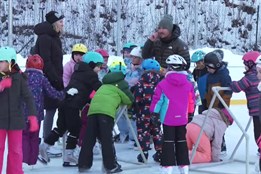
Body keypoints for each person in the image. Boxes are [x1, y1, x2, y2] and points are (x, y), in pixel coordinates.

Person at [38, 52, 103, 166]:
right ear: (92, 64)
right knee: (76, 128)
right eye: (99, 65)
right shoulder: (91, 75)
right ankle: (69, 155)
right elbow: (99, 88)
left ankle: (44, 147)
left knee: (61, 127)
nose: (100, 68)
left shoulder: (77, 72)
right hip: (73, 105)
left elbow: (82, 88)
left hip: (64, 102)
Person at [78, 66, 134, 173]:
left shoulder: (103, 86)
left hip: (92, 111)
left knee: (89, 138)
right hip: (106, 113)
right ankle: (110, 165)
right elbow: (129, 100)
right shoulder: (121, 86)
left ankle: (83, 164)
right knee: (106, 139)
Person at [150, 54, 195, 174]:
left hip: (167, 118)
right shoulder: (188, 84)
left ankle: (167, 167)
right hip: (182, 118)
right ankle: (184, 166)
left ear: (170, 67)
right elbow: (191, 100)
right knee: (181, 141)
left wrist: (154, 113)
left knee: (168, 142)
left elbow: (158, 100)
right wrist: (190, 113)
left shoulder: (163, 84)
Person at [0, 46, 39, 174]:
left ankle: (15, 172)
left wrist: (33, 116)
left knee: (16, 150)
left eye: (2, 61)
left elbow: (28, 97)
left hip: (16, 120)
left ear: (11, 62)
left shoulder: (19, 78)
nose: (0, 64)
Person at [22, 54, 65, 166]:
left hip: (22, 113)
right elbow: (51, 92)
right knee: (34, 138)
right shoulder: (42, 79)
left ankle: (24, 159)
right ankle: (32, 161)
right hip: (36, 114)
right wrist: (62, 95)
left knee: (24, 136)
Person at [33, 11, 65, 151]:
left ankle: (49, 140)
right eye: (60, 21)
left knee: (54, 109)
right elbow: (46, 61)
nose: (62, 24)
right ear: (54, 23)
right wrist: (56, 79)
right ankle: (46, 143)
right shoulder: (45, 38)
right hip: (48, 79)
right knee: (50, 109)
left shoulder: (54, 37)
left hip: (54, 77)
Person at [132, 58, 162, 163]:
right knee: (157, 131)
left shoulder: (140, 83)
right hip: (156, 112)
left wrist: (135, 108)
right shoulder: (160, 83)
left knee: (143, 132)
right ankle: (160, 152)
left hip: (143, 112)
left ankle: (143, 153)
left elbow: (137, 98)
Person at [203, 50, 232, 156]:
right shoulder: (211, 74)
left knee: (218, 126)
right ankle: (212, 144)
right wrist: (206, 99)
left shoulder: (224, 75)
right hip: (211, 104)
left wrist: (222, 104)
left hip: (220, 106)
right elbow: (208, 89)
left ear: (217, 65)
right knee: (211, 126)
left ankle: (221, 145)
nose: (208, 69)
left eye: (209, 67)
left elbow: (228, 90)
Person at [230, 51, 261, 149]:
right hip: (258, 108)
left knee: (258, 132)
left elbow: (237, 87)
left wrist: (229, 83)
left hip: (257, 110)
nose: (244, 66)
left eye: (245, 64)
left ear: (251, 64)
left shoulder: (250, 77)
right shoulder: (256, 75)